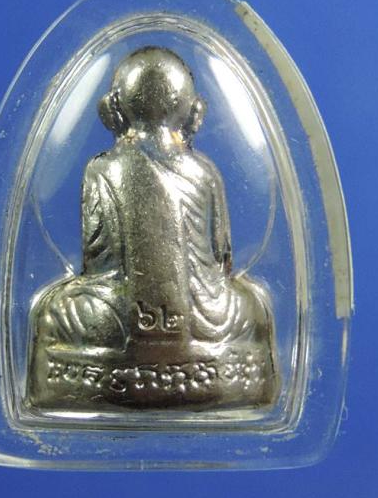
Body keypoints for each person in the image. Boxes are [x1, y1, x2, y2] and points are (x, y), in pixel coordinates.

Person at [27, 47, 278, 408]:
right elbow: (221, 259)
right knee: (248, 309)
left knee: (56, 314)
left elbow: (96, 262)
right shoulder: (205, 173)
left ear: (115, 108)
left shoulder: (101, 170)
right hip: (207, 324)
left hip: (115, 325)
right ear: (193, 109)